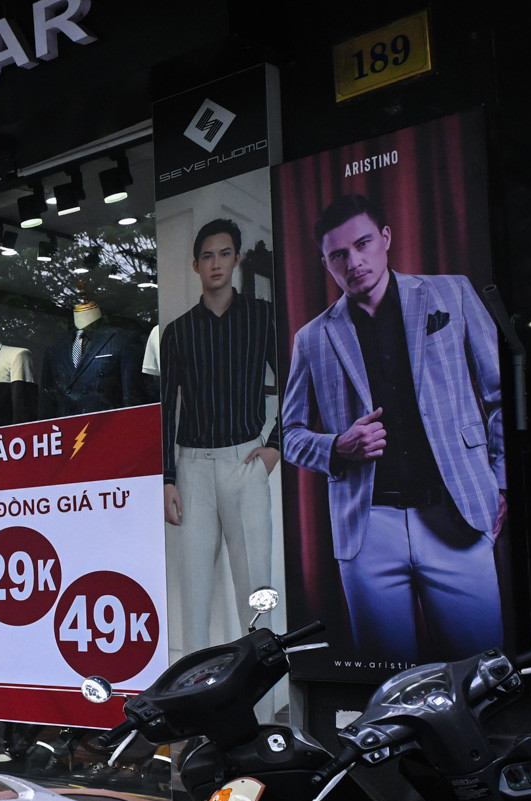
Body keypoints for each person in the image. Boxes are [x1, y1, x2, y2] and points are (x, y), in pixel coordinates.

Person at [281, 192, 505, 663]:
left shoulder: (452, 294)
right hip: (368, 531)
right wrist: (337, 446)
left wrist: (500, 483)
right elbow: (290, 435)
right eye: (338, 255)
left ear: (385, 237)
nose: (354, 262)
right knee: (386, 682)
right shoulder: (312, 337)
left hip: (457, 513)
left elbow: (499, 395)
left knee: (481, 675)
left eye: (362, 244)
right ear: (326, 263)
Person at [160, 218, 282, 652]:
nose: (216, 263)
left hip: (245, 462)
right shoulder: (177, 333)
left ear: (237, 259)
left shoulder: (263, 318)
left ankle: (263, 683)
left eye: (224, 254)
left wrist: (275, 446)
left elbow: (298, 384)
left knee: (257, 590)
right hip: (193, 468)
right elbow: (164, 409)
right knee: (194, 593)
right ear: (195, 265)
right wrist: (167, 478)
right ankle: (195, 686)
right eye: (207, 256)